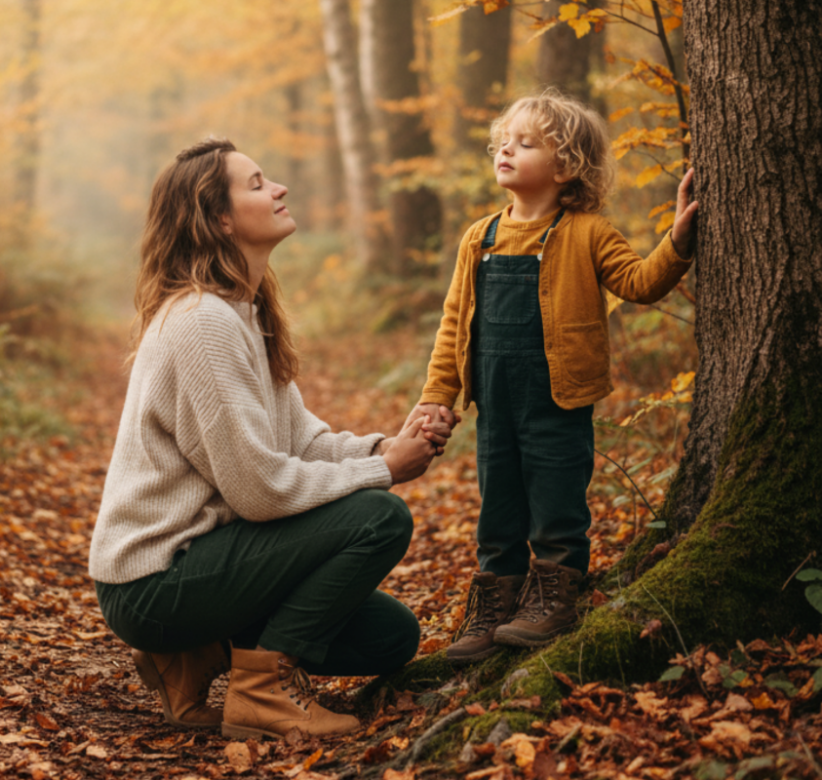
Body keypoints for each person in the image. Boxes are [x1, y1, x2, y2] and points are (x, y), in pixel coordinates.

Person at [89, 138, 455, 740]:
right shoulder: (203, 321)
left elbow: (300, 440)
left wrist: (383, 448)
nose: (278, 188)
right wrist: (384, 474)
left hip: (195, 564)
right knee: (378, 518)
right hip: (154, 579)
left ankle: (194, 655)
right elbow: (259, 489)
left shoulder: (242, 312)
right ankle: (260, 692)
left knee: (391, 638)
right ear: (221, 218)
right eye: (257, 183)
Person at [411, 90, 699, 664]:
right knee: (499, 506)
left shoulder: (588, 232)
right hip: (494, 402)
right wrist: (436, 396)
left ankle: (554, 594)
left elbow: (640, 282)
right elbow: (455, 324)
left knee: (557, 500)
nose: (506, 151)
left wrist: (678, 240)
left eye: (526, 143)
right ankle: (496, 600)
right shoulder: (480, 236)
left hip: (559, 403)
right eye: (503, 142)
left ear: (566, 165)